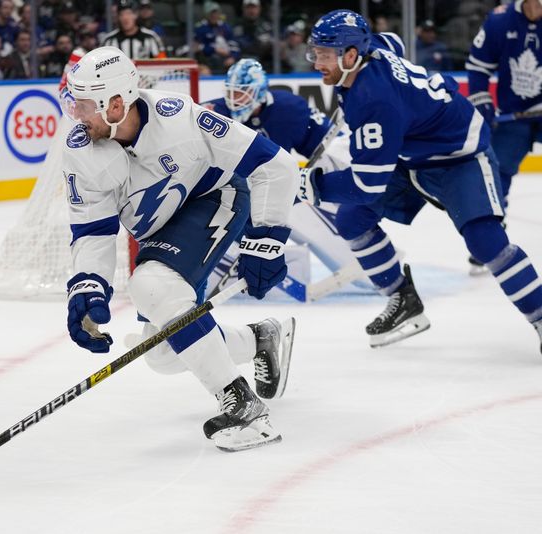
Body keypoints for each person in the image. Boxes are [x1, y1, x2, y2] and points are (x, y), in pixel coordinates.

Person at [59, 46, 299, 450]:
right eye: (72, 104)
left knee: (151, 285)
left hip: (214, 198)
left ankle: (247, 411)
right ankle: (260, 338)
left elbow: (276, 166)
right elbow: (94, 231)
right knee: (166, 354)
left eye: (83, 106)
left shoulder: (182, 119)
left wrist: (267, 239)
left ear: (116, 104)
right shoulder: (81, 151)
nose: (76, 117)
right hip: (161, 230)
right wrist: (87, 284)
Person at [300, 9, 542, 351]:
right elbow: (393, 42)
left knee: (485, 240)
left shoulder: (375, 102)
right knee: (353, 219)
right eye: (316, 53)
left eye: (324, 55)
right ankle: (403, 300)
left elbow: (367, 185)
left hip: (460, 155)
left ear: (351, 55)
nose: (316, 62)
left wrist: (315, 186)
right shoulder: (372, 52)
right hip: (412, 153)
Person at [202, 58, 364, 293]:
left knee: (310, 203)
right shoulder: (211, 113)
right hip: (225, 198)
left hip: (272, 195)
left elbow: (327, 148)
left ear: (259, 92)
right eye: (231, 93)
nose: (234, 100)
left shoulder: (288, 109)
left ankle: (361, 265)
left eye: (242, 94)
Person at [466, 1, 542, 260]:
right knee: (498, 171)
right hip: (515, 113)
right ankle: (490, 236)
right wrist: (482, 99)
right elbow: (478, 66)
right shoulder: (500, 21)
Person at [101, 0, 165, 60]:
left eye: (128, 13)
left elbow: (162, 63)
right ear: (118, 17)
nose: (125, 18)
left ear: (136, 15)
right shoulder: (109, 40)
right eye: (121, 14)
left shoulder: (150, 37)